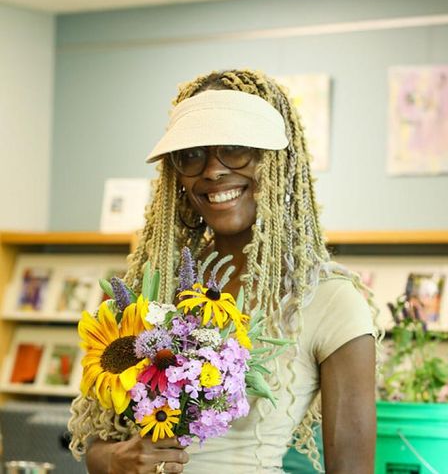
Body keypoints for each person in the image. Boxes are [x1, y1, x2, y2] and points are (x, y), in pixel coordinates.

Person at [68, 69, 379, 474]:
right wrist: (114, 460)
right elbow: (101, 444)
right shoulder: (150, 289)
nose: (212, 170)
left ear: (277, 161)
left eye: (235, 148)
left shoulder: (328, 301)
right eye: (192, 154)